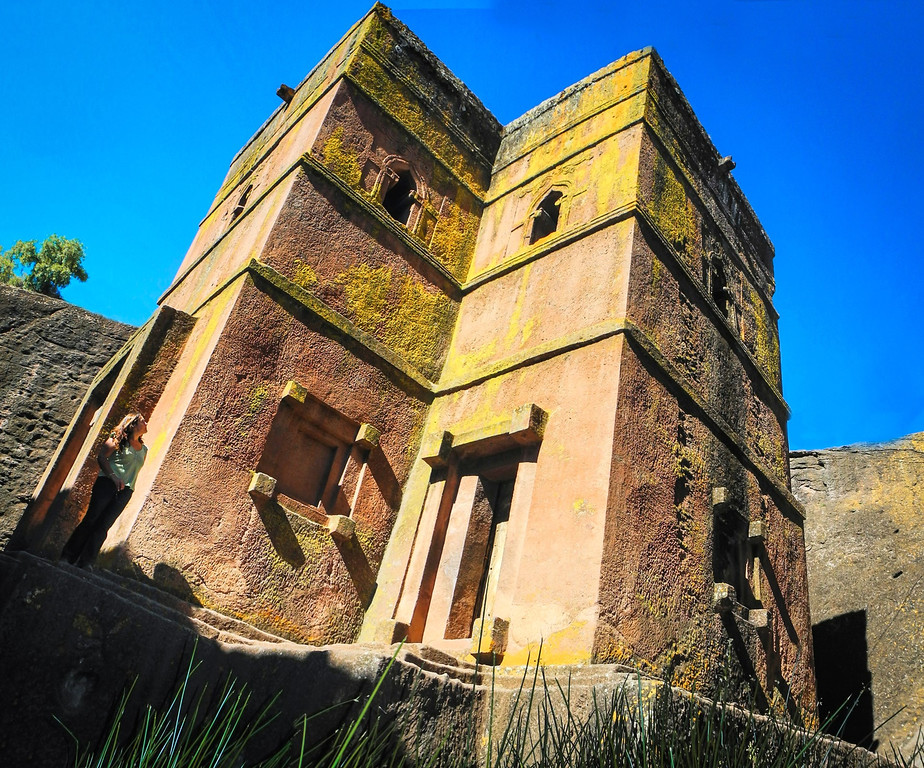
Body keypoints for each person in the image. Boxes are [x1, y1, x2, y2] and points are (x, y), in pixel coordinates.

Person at [61, 412, 148, 567]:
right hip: (107, 484)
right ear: (133, 424)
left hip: (126, 491)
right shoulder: (118, 438)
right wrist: (113, 477)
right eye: (143, 421)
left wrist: (126, 486)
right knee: (91, 519)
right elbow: (102, 457)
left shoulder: (144, 449)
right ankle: (67, 557)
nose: (146, 422)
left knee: (103, 526)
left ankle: (86, 562)